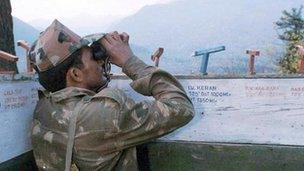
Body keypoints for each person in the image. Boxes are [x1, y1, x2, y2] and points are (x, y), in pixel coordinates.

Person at [29, 19, 194, 171]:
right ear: (76, 74)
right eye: (94, 58)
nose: (101, 61)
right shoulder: (108, 112)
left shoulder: (43, 108)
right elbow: (181, 107)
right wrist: (129, 61)